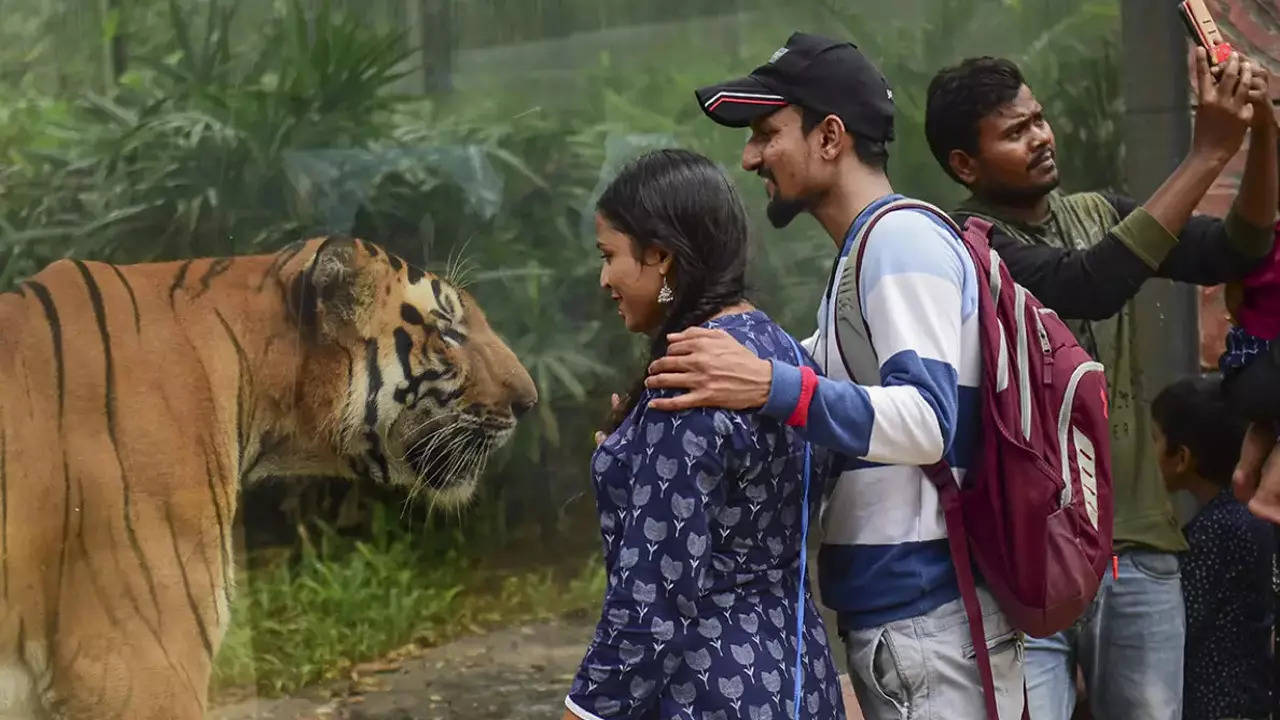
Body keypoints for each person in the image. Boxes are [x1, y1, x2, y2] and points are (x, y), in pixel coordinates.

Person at [647, 32, 1026, 719]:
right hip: (907, 622)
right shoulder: (866, 252)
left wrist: (768, 385)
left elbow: (928, 422)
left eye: (768, 132)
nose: (751, 156)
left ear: (829, 137)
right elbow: (820, 382)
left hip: (928, 618)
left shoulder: (899, 243)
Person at [922, 51, 1276, 720]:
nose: (1042, 137)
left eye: (1039, 119)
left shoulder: (1098, 213)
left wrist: (1261, 129)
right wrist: (1206, 154)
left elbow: (1241, 248)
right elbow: (1089, 285)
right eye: (1015, 130)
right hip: (1025, 563)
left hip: (1136, 549)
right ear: (965, 164)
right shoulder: (969, 247)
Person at [562, 148, 846, 720]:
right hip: (799, 675)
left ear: (661, 256)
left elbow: (654, 597)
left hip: (707, 690)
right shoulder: (779, 352)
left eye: (610, 256)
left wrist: (585, 711)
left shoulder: (688, 379)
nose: (604, 279)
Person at [1151, 375, 1275, 720]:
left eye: (1154, 440)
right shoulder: (1250, 515)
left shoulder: (1213, 533)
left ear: (1181, 458)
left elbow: (1178, 624)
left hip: (1215, 706)